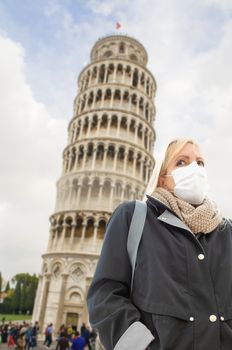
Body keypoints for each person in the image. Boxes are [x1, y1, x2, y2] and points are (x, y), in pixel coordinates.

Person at [87, 138, 232, 350]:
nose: (195, 169)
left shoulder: (226, 232)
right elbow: (105, 295)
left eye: (200, 163)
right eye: (182, 162)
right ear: (163, 179)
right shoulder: (134, 217)